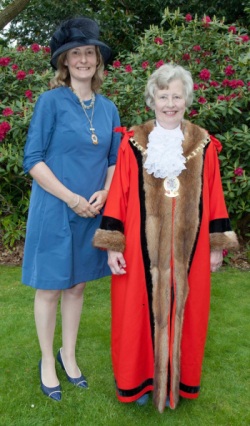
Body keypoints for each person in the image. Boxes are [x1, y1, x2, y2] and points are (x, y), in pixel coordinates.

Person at [93, 64, 239, 412]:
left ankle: (177, 381)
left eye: (176, 96)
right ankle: (137, 382)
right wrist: (113, 242)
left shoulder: (203, 144)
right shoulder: (133, 142)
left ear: (186, 99)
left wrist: (216, 245)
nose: (170, 103)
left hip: (190, 248)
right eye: (163, 96)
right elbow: (119, 194)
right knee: (134, 315)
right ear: (152, 100)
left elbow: (214, 195)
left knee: (189, 313)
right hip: (139, 249)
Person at [22, 17, 121, 401]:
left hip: (90, 211)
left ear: (98, 60)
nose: (82, 59)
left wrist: (105, 192)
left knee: (77, 285)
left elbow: (115, 160)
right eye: (75, 54)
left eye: (89, 53)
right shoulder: (50, 102)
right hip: (55, 208)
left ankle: (69, 354)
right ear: (64, 62)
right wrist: (72, 197)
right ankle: (48, 360)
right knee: (50, 287)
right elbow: (33, 159)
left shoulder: (109, 108)